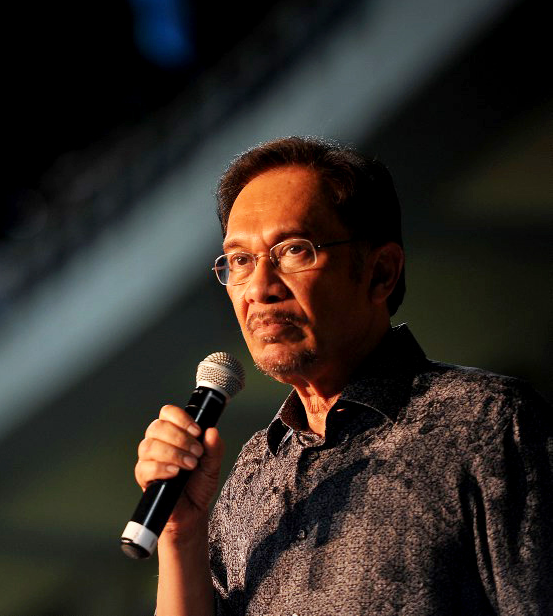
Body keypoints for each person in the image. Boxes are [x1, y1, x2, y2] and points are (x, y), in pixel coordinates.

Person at [133, 136, 552, 615]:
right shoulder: (252, 474)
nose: (260, 289)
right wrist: (181, 535)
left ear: (380, 273)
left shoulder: (489, 424)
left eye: (293, 250)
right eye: (241, 261)